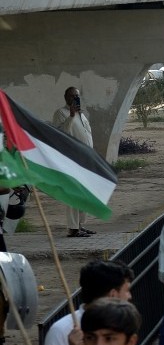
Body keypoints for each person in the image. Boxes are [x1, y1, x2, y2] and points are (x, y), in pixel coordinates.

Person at [40, 260, 133, 345]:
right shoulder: (63, 330)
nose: (129, 296)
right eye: (127, 290)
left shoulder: (123, 324)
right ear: (113, 294)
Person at [51, 86, 95, 237]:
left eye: (76, 96)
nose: (74, 98)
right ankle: (72, 228)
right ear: (65, 97)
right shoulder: (61, 113)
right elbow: (60, 134)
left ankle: (80, 225)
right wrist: (70, 116)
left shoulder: (82, 115)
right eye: (71, 96)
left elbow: (87, 136)